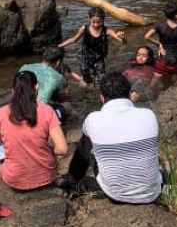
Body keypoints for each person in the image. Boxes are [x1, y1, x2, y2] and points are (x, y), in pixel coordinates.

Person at [57, 72, 161, 204]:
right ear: (130, 95)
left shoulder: (93, 119)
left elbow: (84, 152)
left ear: (102, 98)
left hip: (115, 194)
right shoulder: (149, 114)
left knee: (86, 142)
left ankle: (73, 179)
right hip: (152, 192)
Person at [0, 71, 69, 191]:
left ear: (12, 91)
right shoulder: (47, 111)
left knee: (2, 150)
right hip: (46, 176)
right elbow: (62, 149)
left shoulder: (0, 113)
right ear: (36, 87)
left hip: (14, 179)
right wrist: (48, 150)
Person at [59, 7, 126, 85]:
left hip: (99, 59)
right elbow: (74, 39)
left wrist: (123, 38)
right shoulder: (84, 29)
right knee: (87, 78)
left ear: (103, 20)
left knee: (101, 80)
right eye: (93, 22)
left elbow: (122, 42)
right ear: (89, 19)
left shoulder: (107, 31)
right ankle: (88, 88)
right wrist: (60, 45)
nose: (96, 25)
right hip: (85, 57)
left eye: (99, 22)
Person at [19, 48, 84, 121]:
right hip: (37, 116)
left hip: (18, 108)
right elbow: (65, 96)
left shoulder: (24, 67)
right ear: (58, 62)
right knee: (67, 106)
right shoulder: (57, 77)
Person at [146, 1, 177, 90]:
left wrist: (159, 44)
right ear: (176, 15)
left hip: (162, 60)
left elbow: (147, 36)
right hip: (175, 62)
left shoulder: (159, 26)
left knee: (154, 83)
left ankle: (146, 97)